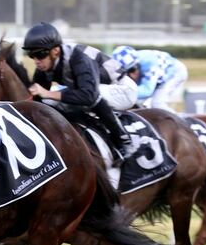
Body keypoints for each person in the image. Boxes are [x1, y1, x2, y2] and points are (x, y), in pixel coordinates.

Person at [22, 22, 135, 161]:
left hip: (123, 89)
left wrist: (48, 93)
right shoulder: (45, 65)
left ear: (55, 51)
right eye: (31, 55)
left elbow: (89, 96)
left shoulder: (79, 57)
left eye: (39, 54)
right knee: (51, 101)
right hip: (94, 90)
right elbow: (37, 100)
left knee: (91, 94)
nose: (36, 61)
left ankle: (124, 140)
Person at [110, 46, 187, 114]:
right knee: (141, 104)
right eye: (127, 72)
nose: (133, 74)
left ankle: (182, 124)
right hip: (157, 76)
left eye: (133, 69)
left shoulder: (149, 63)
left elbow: (147, 91)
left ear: (137, 63)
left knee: (157, 103)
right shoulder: (118, 66)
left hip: (175, 73)